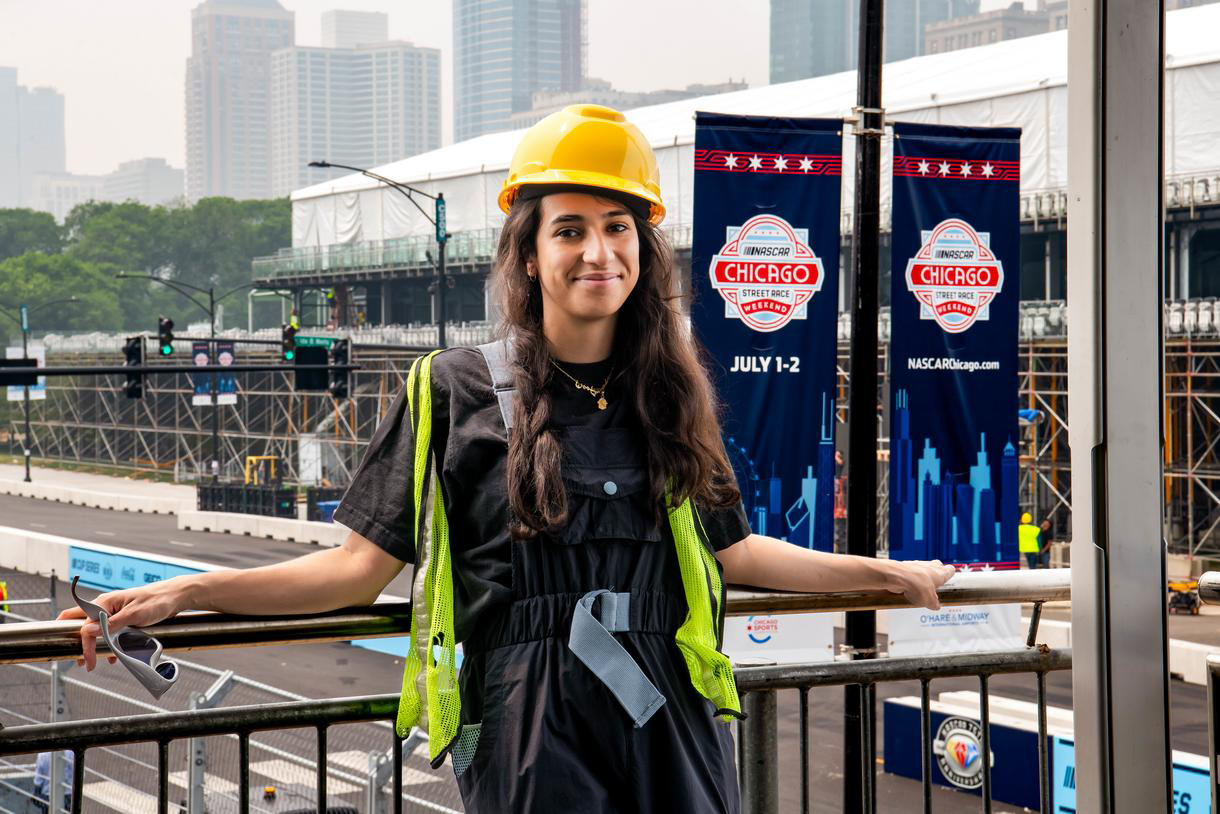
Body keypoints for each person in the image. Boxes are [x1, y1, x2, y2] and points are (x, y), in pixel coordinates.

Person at [61, 104, 955, 813]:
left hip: (671, 725)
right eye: (569, 229)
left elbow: (736, 554)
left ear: (645, 249)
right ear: (528, 254)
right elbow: (354, 571)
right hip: (529, 730)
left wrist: (886, 574)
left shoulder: (672, 393)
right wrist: (186, 591)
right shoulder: (453, 388)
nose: (596, 251)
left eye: (617, 226)